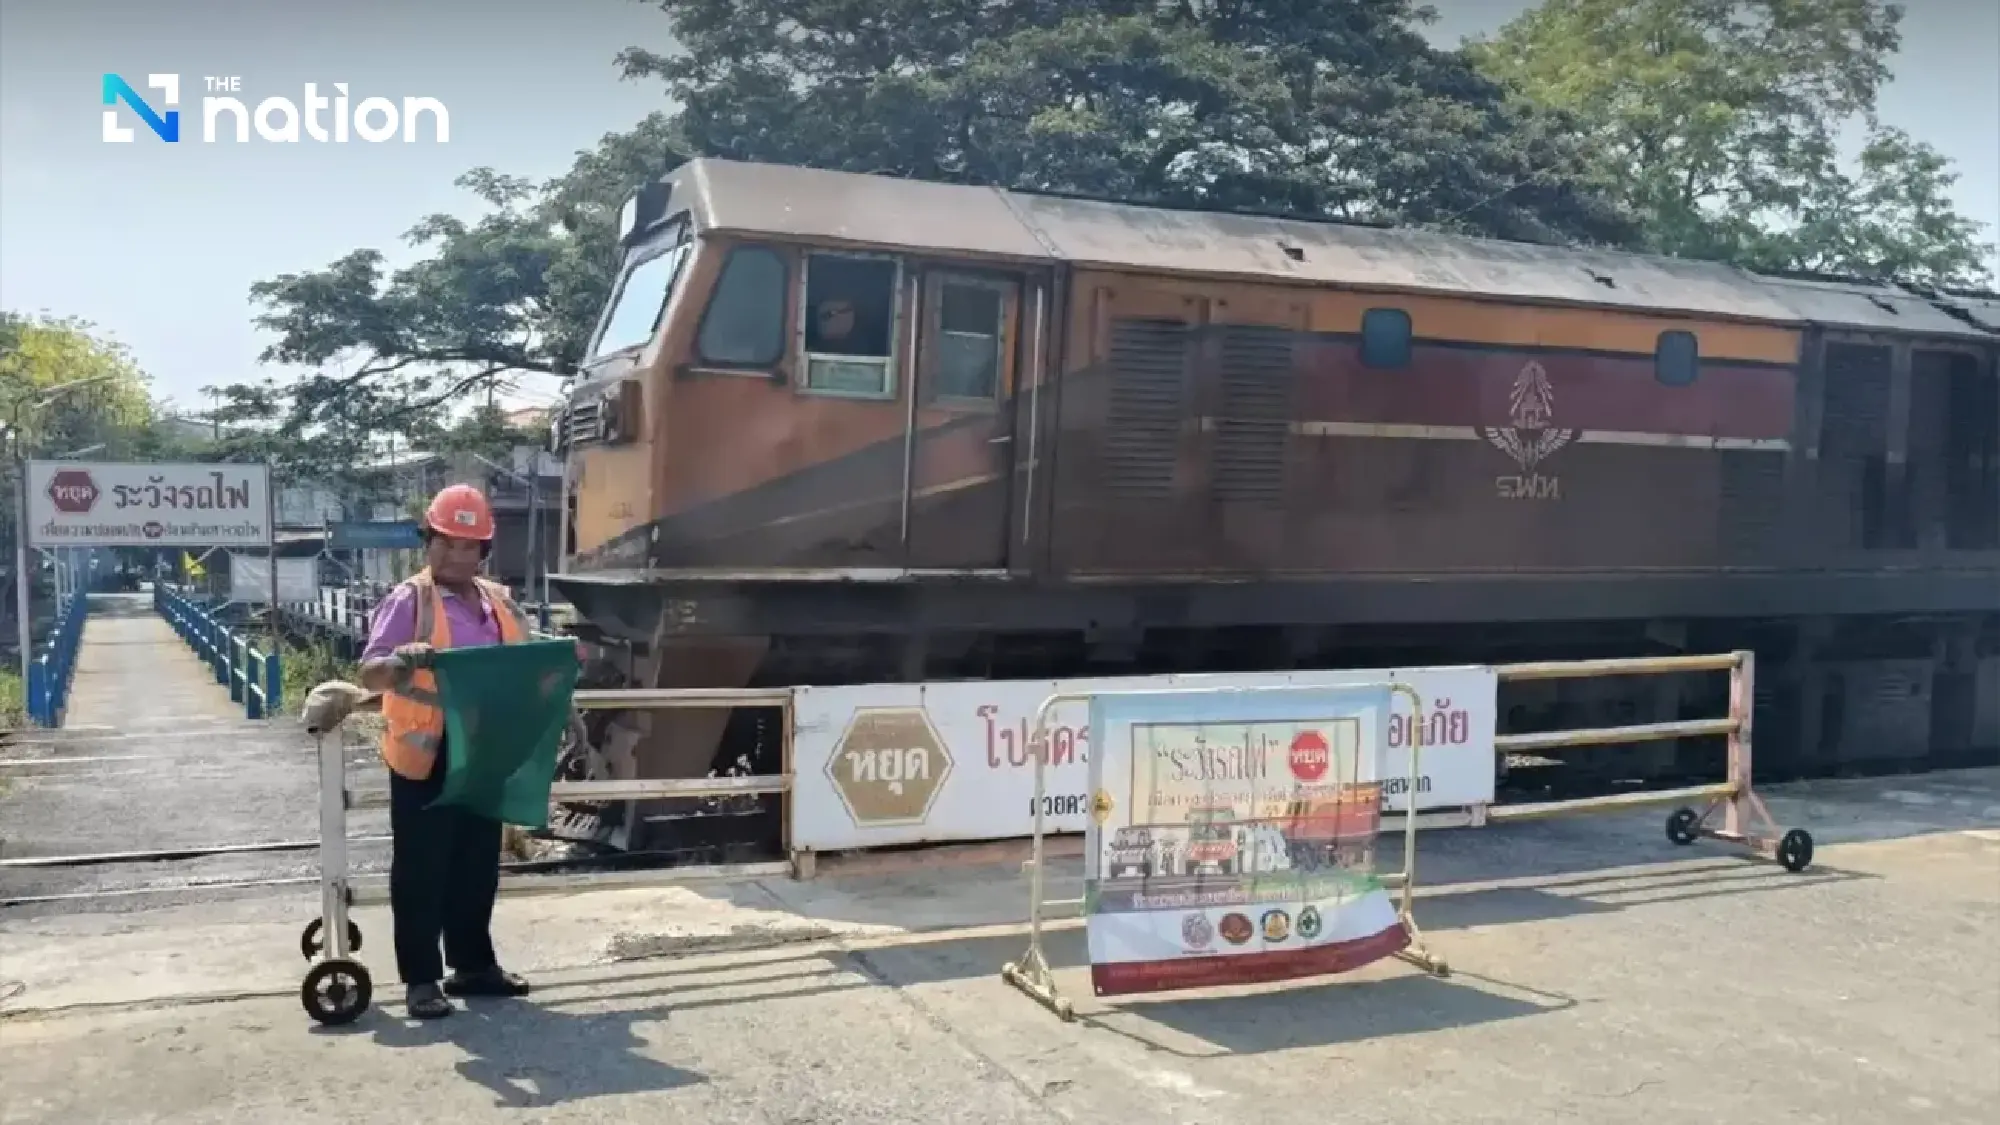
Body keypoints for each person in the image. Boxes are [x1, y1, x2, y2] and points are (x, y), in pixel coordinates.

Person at [359, 483, 534, 1020]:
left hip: (483, 751)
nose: (457, 555)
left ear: (484, 550)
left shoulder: (499, 601)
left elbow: (525, 663)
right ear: (428, 540)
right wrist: (403, 659)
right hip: (427, 752)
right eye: (447, 542)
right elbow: (369, 671)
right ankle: (421, 978)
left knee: (476, 862)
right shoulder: (409, 600)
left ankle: (473, 966)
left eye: (469, 546)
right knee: (422, 866)